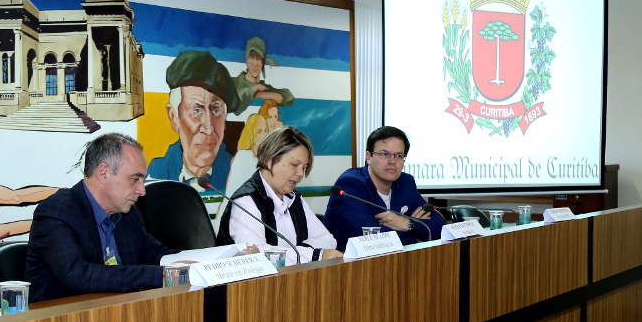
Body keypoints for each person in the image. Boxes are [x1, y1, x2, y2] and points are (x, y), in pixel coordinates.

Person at [25, 133, 180, 303]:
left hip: (118, 315)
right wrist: (166, 275)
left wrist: (202, 263)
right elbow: (77, 275)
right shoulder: (56, 212)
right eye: (135, 179)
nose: (142, 191)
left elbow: (154, 253)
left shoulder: (127, 212)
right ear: (104, 172)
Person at [217, 126, 342, 263]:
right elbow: (254, 256)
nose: (301, 173)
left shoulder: (294, 199)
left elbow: (328, 240)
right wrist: (313, 255)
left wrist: (296, 252)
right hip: (246, 284)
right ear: (269, 161)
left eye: (304, 167)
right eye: (294, 165)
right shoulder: (246, 202)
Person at [323, 125, 443, 246]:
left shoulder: (406, 182)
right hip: (347, 262)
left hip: (395, 260)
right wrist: (415, 230)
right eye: (384, 154)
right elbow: (375, 240)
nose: (392, 161)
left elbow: (439, 229)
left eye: (399, 155)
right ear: (369, 157)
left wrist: (407, 224)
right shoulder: (350, 184)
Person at [147, 50, 234, 189]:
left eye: (216, 110)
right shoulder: (155, 175)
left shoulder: (236, 174)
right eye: (197, 111)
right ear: (174, 118)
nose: (208, 128)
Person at [228, 36, 294, 115]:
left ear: (263, 63)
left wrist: (260, 94)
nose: (255, 64)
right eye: (252, 58)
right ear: (246, 60)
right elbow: (236, 107)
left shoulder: (265, 88)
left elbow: (288, 97)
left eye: (258, 59)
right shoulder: (233, 83)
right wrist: (256, 88)